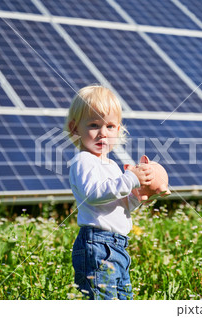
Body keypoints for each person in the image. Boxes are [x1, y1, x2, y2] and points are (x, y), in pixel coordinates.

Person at [65, 85, 153, 300]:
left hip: (117, 244)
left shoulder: (112, 165)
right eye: (94, 125)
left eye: (110, 126)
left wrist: (136, 197)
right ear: (75, 129)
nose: (103, 133)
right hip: (97, 244)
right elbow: (94, 194)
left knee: (123, 299)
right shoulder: (83, 161)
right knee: (102, 299)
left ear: (118, 129)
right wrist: (131, 178)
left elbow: (118, 204)